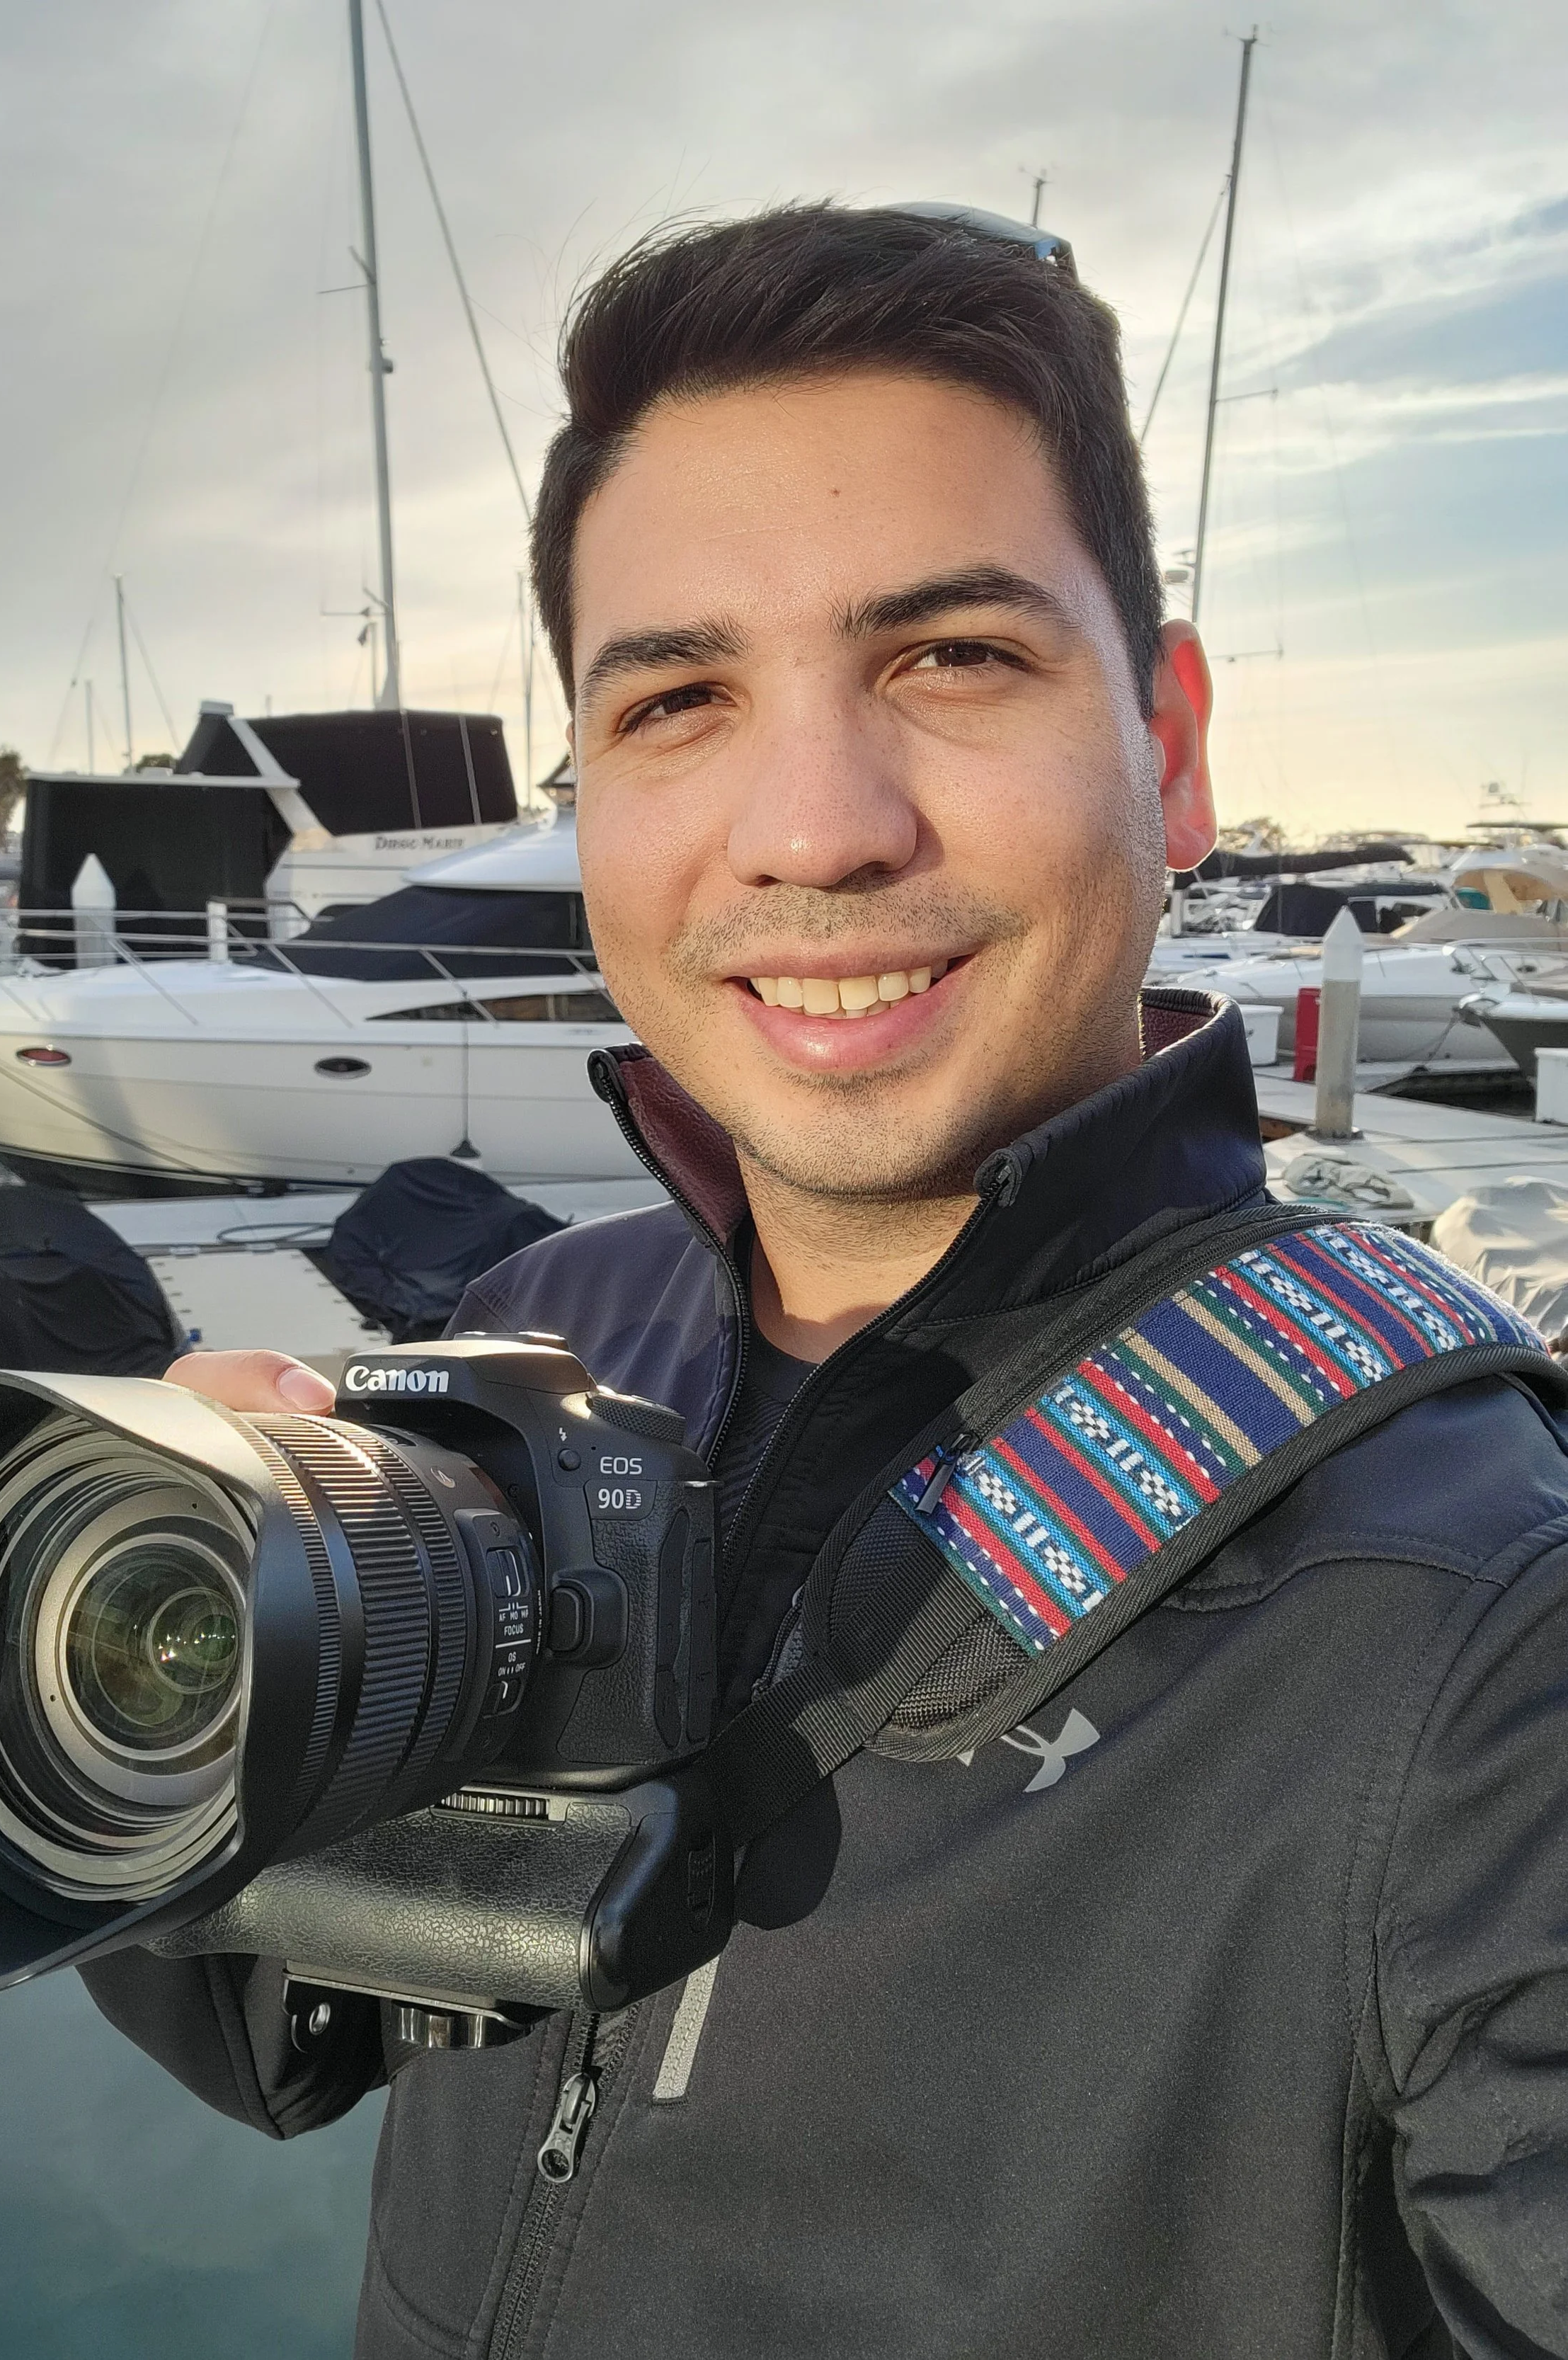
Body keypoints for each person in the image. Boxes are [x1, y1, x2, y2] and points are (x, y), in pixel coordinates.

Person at [83, 206, 1568, 2358]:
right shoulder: (545, 1345)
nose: (811, 825)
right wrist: (187, 1656)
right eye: (677, 696)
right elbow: (273, 2035)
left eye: (950, 656)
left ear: (1169, 730)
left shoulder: (1476, 1620)